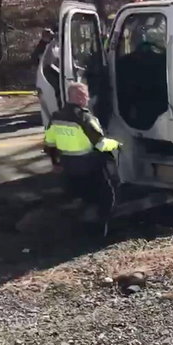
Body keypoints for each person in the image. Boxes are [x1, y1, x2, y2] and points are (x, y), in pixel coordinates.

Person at [44, 83, 122, 237]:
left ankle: (78, 230)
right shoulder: (85, 118)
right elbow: (101, 144)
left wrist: (55, 163)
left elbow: (49, 144)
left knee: (81, 196)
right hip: (90, 166)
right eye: (85, 95)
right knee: (108, 195)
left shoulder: (56, 117)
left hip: (69, 166)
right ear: (79, 97)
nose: (87, 98)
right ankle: (103, 230)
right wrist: (118, 144)